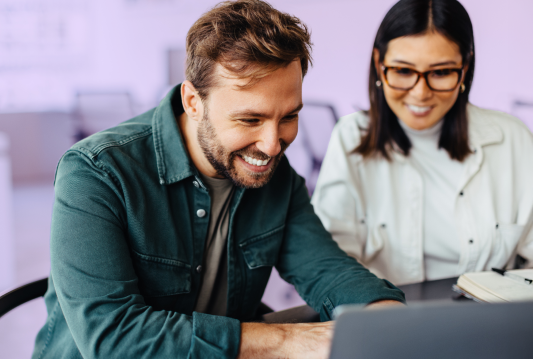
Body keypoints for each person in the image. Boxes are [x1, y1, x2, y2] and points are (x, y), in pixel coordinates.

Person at [32, 1, 405, 358]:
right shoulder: (96, 173)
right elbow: (114, 338)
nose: (273, 145)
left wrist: (386, 316)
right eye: (250, 120)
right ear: (194, 103)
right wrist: (287, 341)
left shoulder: (275, 176)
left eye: (289, 116)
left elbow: (326, 269)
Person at [312, 0, 533, 286]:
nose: (420, 93)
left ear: (464, 69)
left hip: (490, 323)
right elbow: (331, 262)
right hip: (385, 321)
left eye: (440, 72)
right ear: (380, 65)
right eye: (404, 71)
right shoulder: (350, 137)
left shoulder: (512, 139)